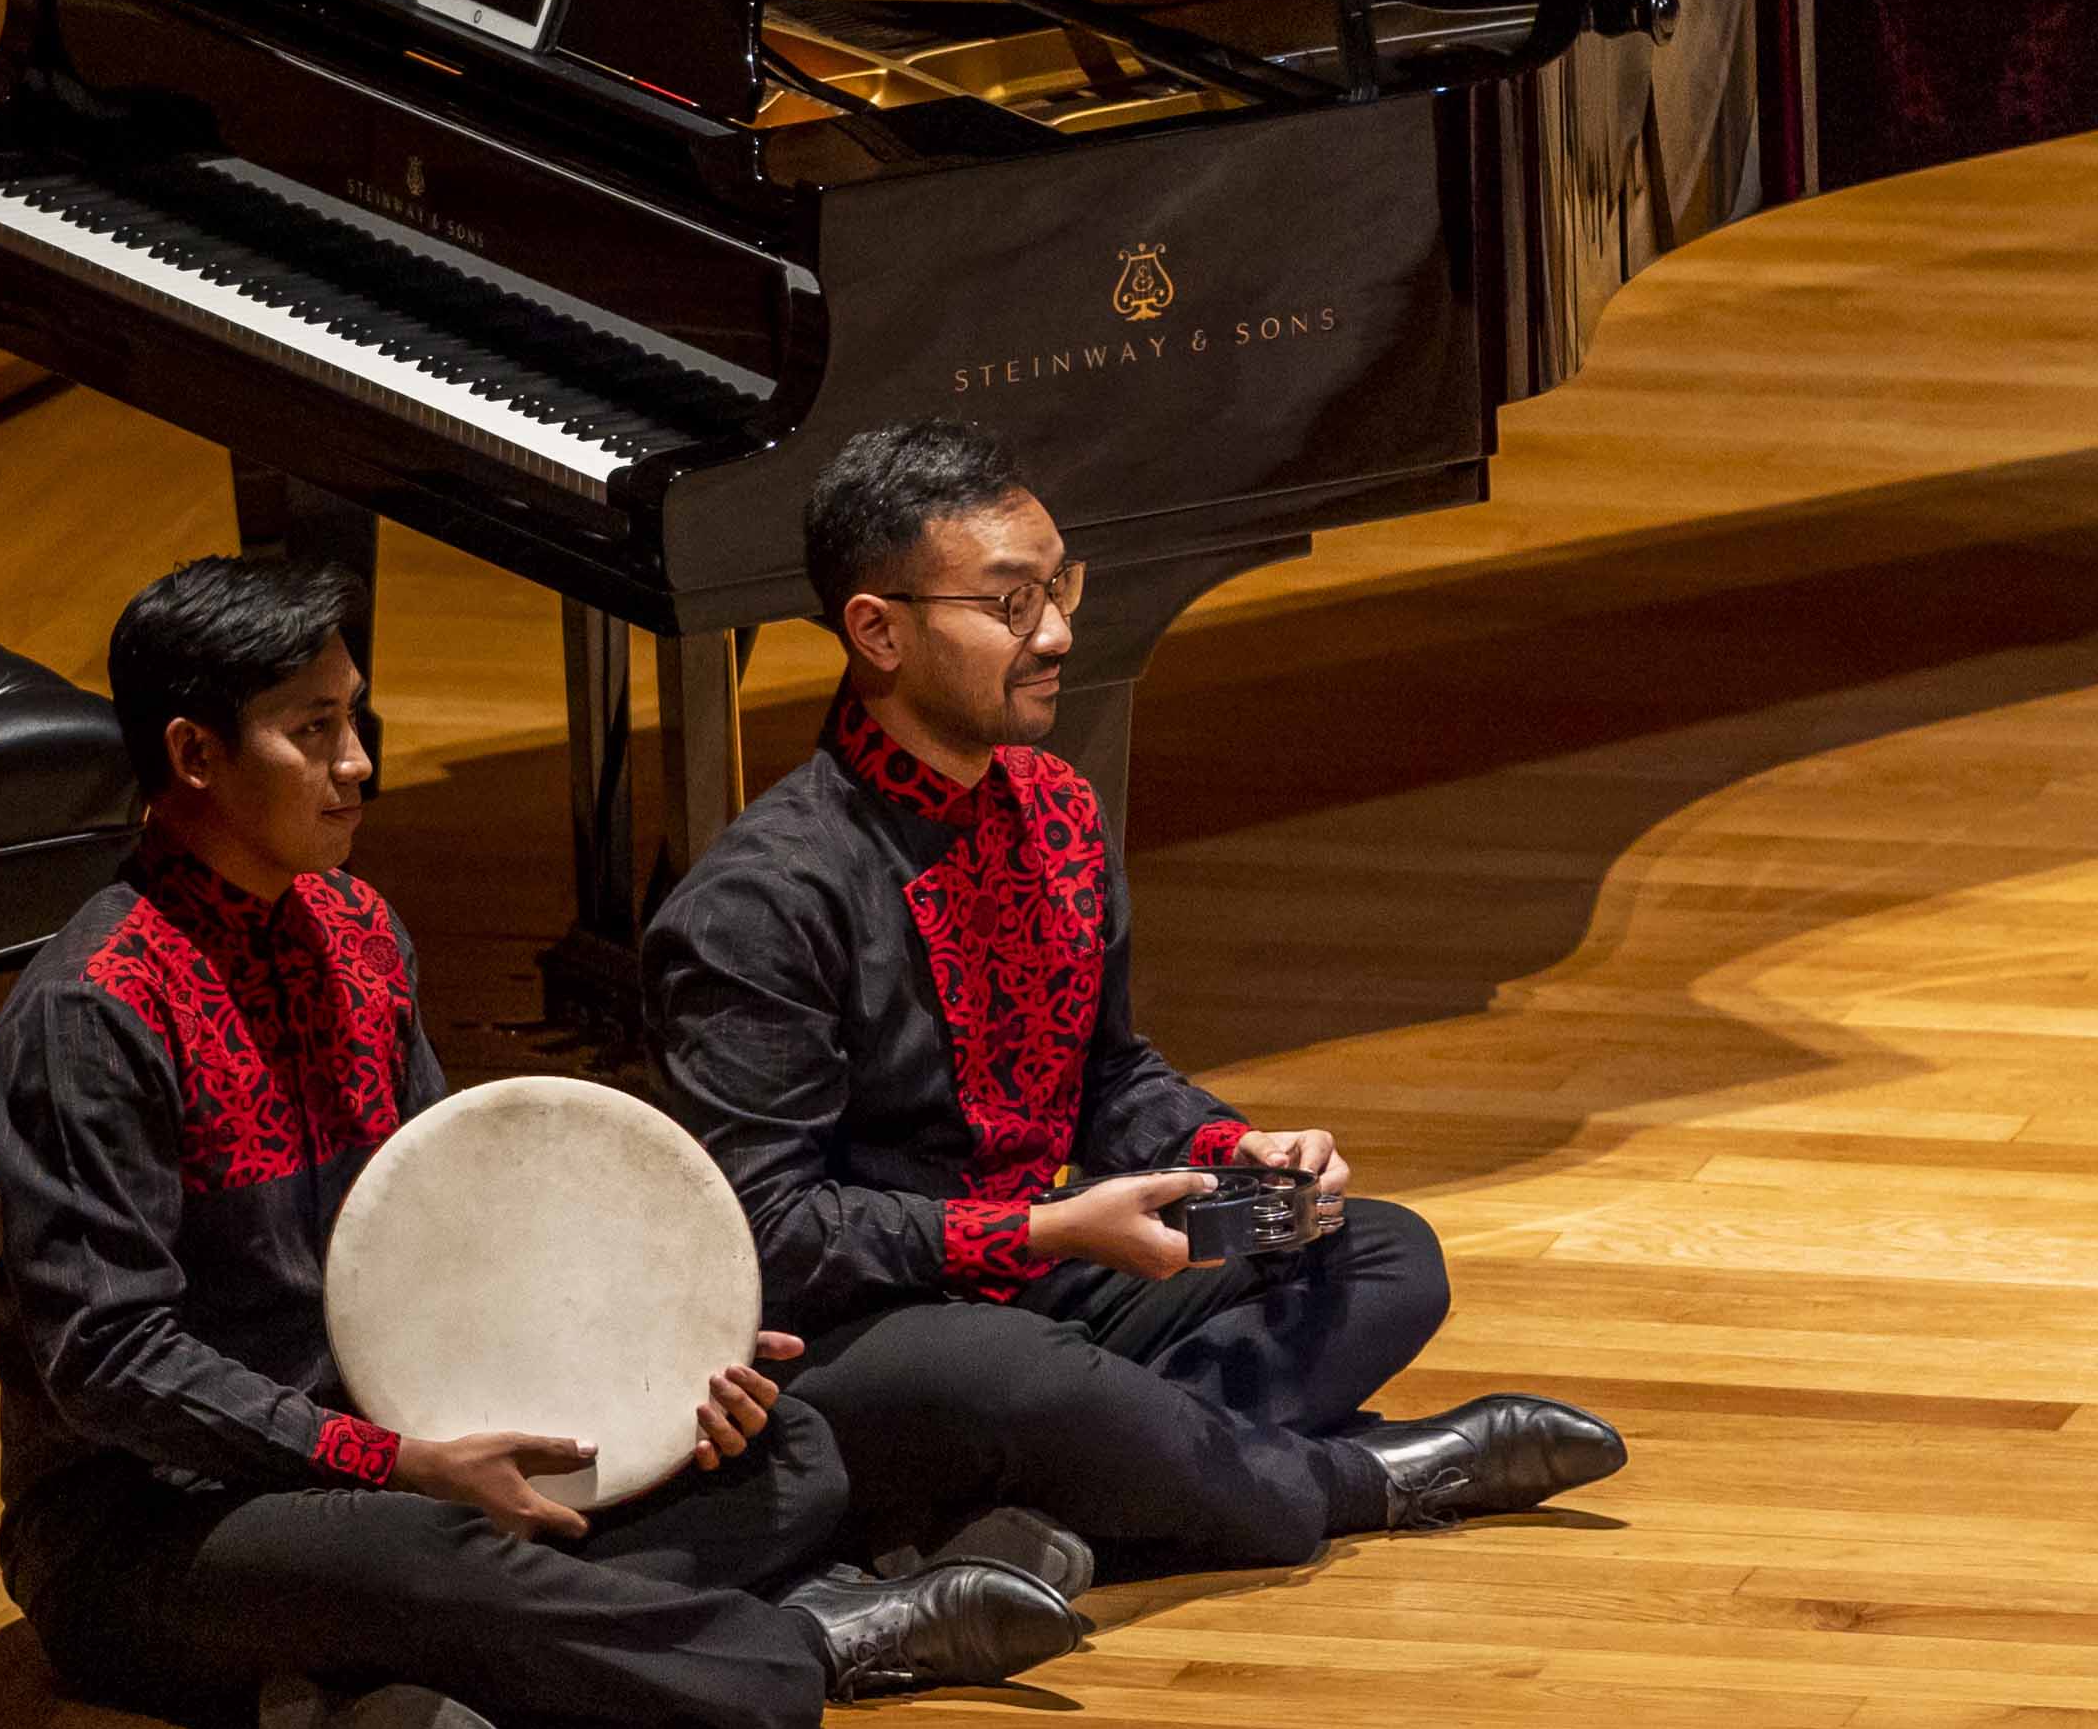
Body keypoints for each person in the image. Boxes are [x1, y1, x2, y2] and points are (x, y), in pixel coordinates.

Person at [0, 553, 1084, 1729]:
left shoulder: (356, 932)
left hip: (403, 1461)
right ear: (194, 755)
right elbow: (109, 1363)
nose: (359, 765)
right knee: (436, 1561)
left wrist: (671, 1354)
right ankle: (821, 1639)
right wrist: (388, 1463)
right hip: (152, 1523)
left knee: (791, 1452)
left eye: (358, 720)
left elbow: (474, 1228)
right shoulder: (91, 1017)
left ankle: (330, 1701)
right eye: (313, 732)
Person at [645, 420, 1626, 1587]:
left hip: (1052, 1272)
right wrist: (1045, 1230)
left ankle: (1070, 1497)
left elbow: (1108, 1075)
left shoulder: (1054, 805)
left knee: (1379, 1255)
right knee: (1023, 1378)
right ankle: (1357, 1480)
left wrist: (1235, 1147)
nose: (1058, 631)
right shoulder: (760, 903)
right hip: (870, 1335)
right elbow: (767, 1235)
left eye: (1059, 585)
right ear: (878, 630)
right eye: (1009, 605)